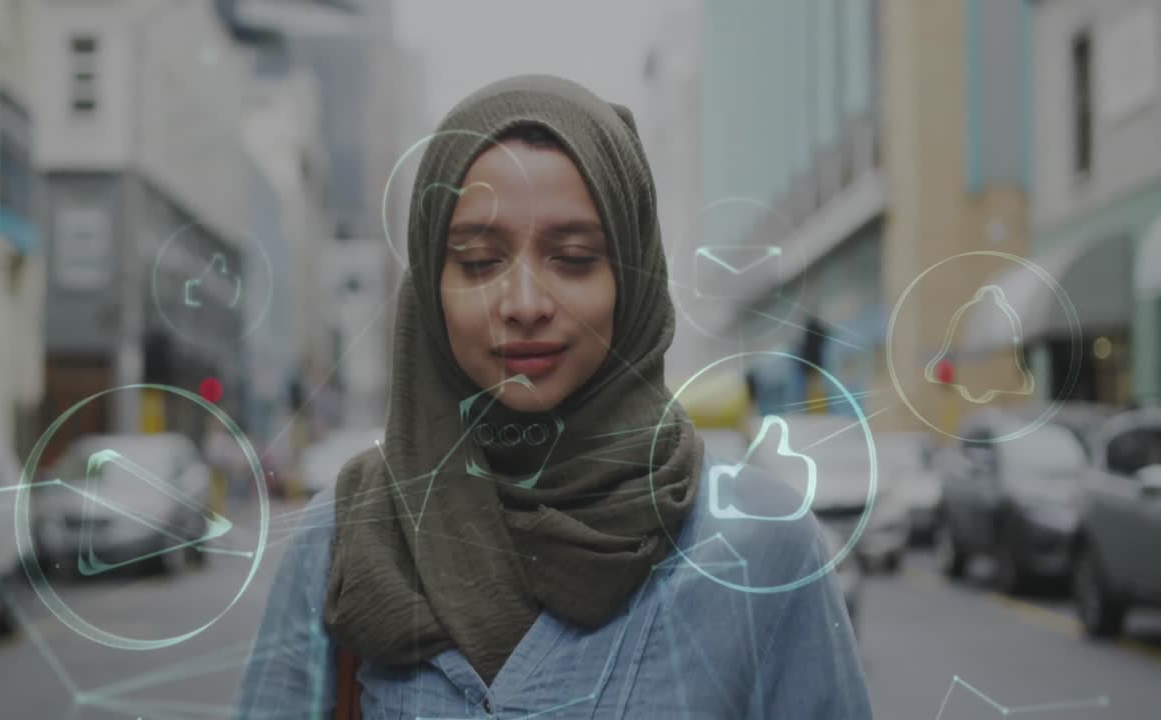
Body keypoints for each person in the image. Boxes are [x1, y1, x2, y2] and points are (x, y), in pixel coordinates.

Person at [235, 75, 872, 719]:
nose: (525, 305)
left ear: (631, 277)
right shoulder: (343, 537)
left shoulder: (758, 544)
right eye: (480, 261)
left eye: (572, 258)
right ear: (430, 284)